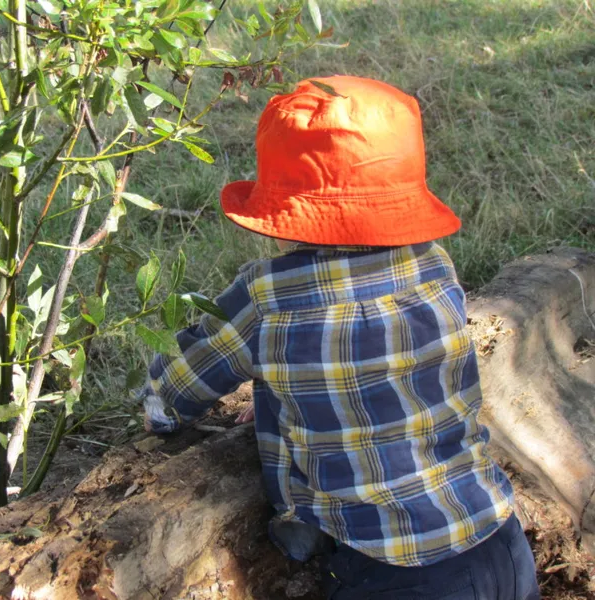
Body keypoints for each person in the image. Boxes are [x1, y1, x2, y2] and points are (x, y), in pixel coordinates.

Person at [142, 75, 540, 599]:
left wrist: (158, 408)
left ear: (284, 210)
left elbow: (177, 389)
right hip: (499, 539)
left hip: (398, 572)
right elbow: (377, 378)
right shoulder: (433, 268)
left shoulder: (268, 297)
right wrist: (282, 396)